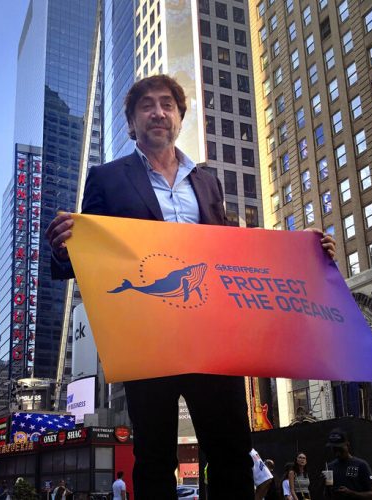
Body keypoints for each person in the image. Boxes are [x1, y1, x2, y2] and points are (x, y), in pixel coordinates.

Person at [46, 74, 337, 500]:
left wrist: (308, 252)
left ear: (180, 118)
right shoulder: (106, 179)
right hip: (147, 341)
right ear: (131, 124)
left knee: (232, 451)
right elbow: (86, 258)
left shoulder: (207, 181)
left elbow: (231, 251)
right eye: (147, 105)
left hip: (213, 339)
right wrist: (61, 247)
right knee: (153, 456)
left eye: (167, 104)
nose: (158, 111)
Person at [323, 428, 372, 499]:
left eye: (339, 448)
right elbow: (327, 496)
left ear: (347, 444)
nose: (337, 452)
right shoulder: (330, 467)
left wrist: (351, 493)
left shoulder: (361, 465)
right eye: (334, 449)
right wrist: (325, 485)